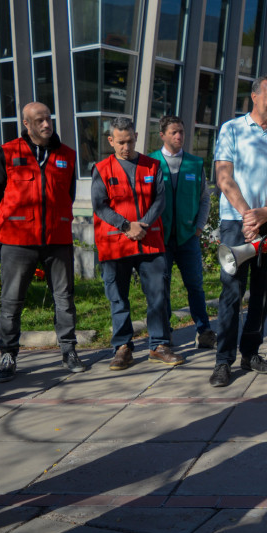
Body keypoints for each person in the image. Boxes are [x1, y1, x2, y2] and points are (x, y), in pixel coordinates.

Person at [0, 102, 86, 382]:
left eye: (48, 119)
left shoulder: (67, 155)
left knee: (64, 299)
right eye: (39, 120)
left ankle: (69, 350)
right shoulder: (8, 152)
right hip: (18, 240)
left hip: (57, 238)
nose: (46, 125)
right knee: (11, 301)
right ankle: (8, 354)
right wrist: (18, 219)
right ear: (27, 125)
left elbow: (67, 194)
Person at [208, 76, 267, 387]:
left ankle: (251, 352)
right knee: (232, 292)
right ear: (254, 96)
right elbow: (224, 177)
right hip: (237, 221)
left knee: (262, 294)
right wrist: (249, 215)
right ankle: (223, 361)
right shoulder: (231, 129)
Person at [91, 117, 184, 371]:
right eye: (120, 142)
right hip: (115, 245)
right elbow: (100, 206)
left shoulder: (152, 166)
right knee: (118, 297)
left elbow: (160, 200)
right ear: (111, 141)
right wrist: (126, 226)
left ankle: (159, 345)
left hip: (149, 242)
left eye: (130, 140)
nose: (126, 146)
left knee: (157, 295)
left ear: (136, 136)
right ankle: (122, 347)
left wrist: (141, 225)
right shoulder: (101, 169)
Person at [149, 115, 215, 349]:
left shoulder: (195, 164)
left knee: (195, 285)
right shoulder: (150, 163)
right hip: (161, 238)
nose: (179, 136)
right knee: (161, 286)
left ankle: (204, 330)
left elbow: (204, 198)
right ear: (163, 135)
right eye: (174, 132)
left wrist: (199, 228)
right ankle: (164, 334)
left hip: (188, 237)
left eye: (182, 132)